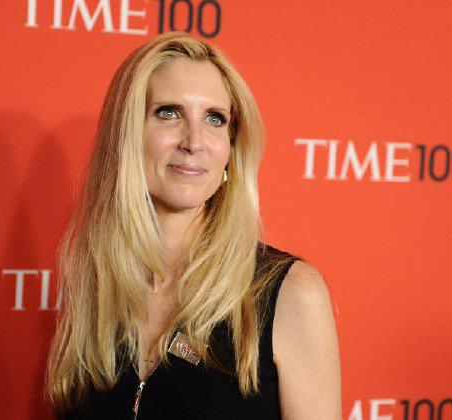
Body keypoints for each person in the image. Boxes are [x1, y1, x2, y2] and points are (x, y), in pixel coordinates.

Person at [44, 31, 341, 419]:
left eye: (215, 119)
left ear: (230, 150)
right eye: (169, 113)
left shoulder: (290, 294)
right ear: (126, 135)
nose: (194, 141)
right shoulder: (95, 288)